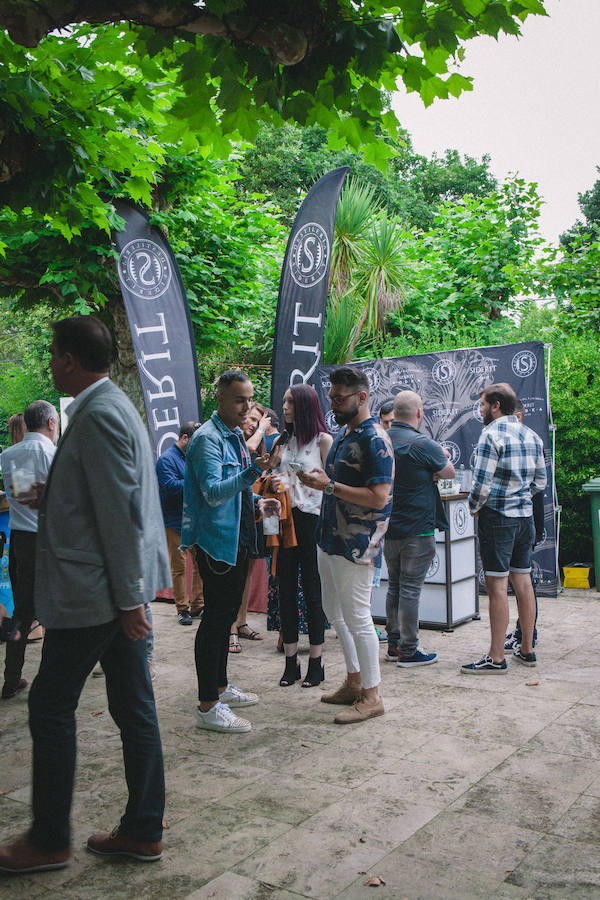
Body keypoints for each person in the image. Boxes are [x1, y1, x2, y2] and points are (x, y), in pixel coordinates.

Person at [0, 315, 170, 875]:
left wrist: (128, 603)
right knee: (133, 704)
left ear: (70, 360)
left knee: (49, 706)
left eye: (51, 354)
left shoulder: (97, 415)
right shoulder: (109, 405)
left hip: (98, 593)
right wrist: (60, 489)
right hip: (112, 589)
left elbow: (121, 517)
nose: (49, 362)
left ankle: (49, 840)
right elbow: (107, 492)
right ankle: (143, 830)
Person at [182, 370, 281, 734]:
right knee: (214, 622)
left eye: (249, 400)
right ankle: (208, 705)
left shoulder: (234, 436)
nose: (247, 407)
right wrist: (253, 470)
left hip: (237, 537)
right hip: (215, 543)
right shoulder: (207, 439)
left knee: (223, 621)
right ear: (221, 398)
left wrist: (258, 501)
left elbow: (236, 492)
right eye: (240, 400)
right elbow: (211, 492)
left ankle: (220, 689)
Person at [299, 366, 394, 724]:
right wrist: (319, 481)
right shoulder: (343, 433)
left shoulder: (375, 438)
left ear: (362, 397)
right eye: (331, 398)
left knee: (357, 617)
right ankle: (354, 681)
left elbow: (380, 497)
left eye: (340, 398)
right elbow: (333, 482)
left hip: (358, 543)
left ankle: (373, 695)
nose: (333, 404)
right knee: (334, 612)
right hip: (330, 538)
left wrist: (328, 487)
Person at [461, 382, 546, 675]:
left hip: (498, 518)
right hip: (524, 518)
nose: (481, 410)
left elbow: (481, 484)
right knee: (523, 582)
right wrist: (519, 496)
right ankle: (527, 649)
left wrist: (473, 507)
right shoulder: (532, 435)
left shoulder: (491, 434)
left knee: (497, 586)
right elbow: (540, 483)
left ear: (496, 405)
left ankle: (496, 657)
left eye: (483, 404)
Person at [383, 391, 455, 666]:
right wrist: (434, 467)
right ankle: (409, 650)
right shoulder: (423, 443)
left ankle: (393, 645)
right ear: (419, 413)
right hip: (418, 529)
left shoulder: (384, 440)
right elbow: (449, 472)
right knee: (410, 589)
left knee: (395, 587)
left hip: (389, 527)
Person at [272, 384, 332, 687]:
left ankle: (317, 661)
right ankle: (290, 661)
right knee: (285, 590)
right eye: (284, 402)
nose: (284, 407)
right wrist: (272, 479)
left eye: (290, 402)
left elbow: (333, 485)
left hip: (312, 520)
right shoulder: (284, 440)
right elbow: (277, 479)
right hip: (285, 520)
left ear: (305, 406)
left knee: (312, 590)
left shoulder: (323, 441)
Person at [1, 401, 58, 699]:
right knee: (58, 612)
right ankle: (51, 678)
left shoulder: (9, 455)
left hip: (21, 541)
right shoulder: (55, 454)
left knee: (22, 612)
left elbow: (25, 497)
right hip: (51, 542)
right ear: (50, 423)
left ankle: (11, 677)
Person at [504, 398, 545, 652]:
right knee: (521, 578)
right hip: (527, 516)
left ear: (518, 417)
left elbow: (537, 484)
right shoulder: (530, 440)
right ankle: (524, 633)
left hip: (527, 516)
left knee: (523, 579)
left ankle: (526, 633)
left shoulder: (528, 440)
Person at [156, 421, 203, 626]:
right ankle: (182, 608)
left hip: (193, 518)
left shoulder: (192, 457)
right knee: (179, 567)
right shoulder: (165, 460)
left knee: (201, 564)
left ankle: (198, 605)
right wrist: (195, 480)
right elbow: (170, 487)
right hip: (174, 520)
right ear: (185, 438)